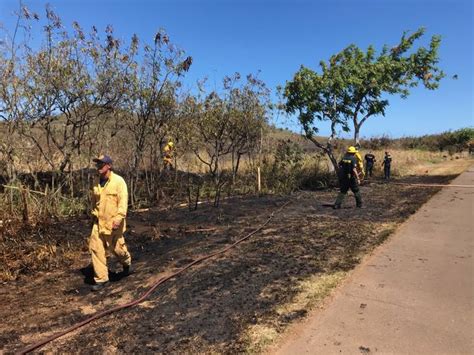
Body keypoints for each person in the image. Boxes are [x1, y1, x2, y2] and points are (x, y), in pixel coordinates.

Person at [89, 154, 132, 291]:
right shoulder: (96, 182)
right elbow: (94, 202)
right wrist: (92, 217)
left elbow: (123, 202)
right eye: (97, 165)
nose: (98, 167)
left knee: (117, 249)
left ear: (109, 166)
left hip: (113, 222)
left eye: (101, 164)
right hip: (98, 222)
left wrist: (119, 218)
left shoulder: (119, 182)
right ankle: (102, 279)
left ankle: (126, 263)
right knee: (96, 248)